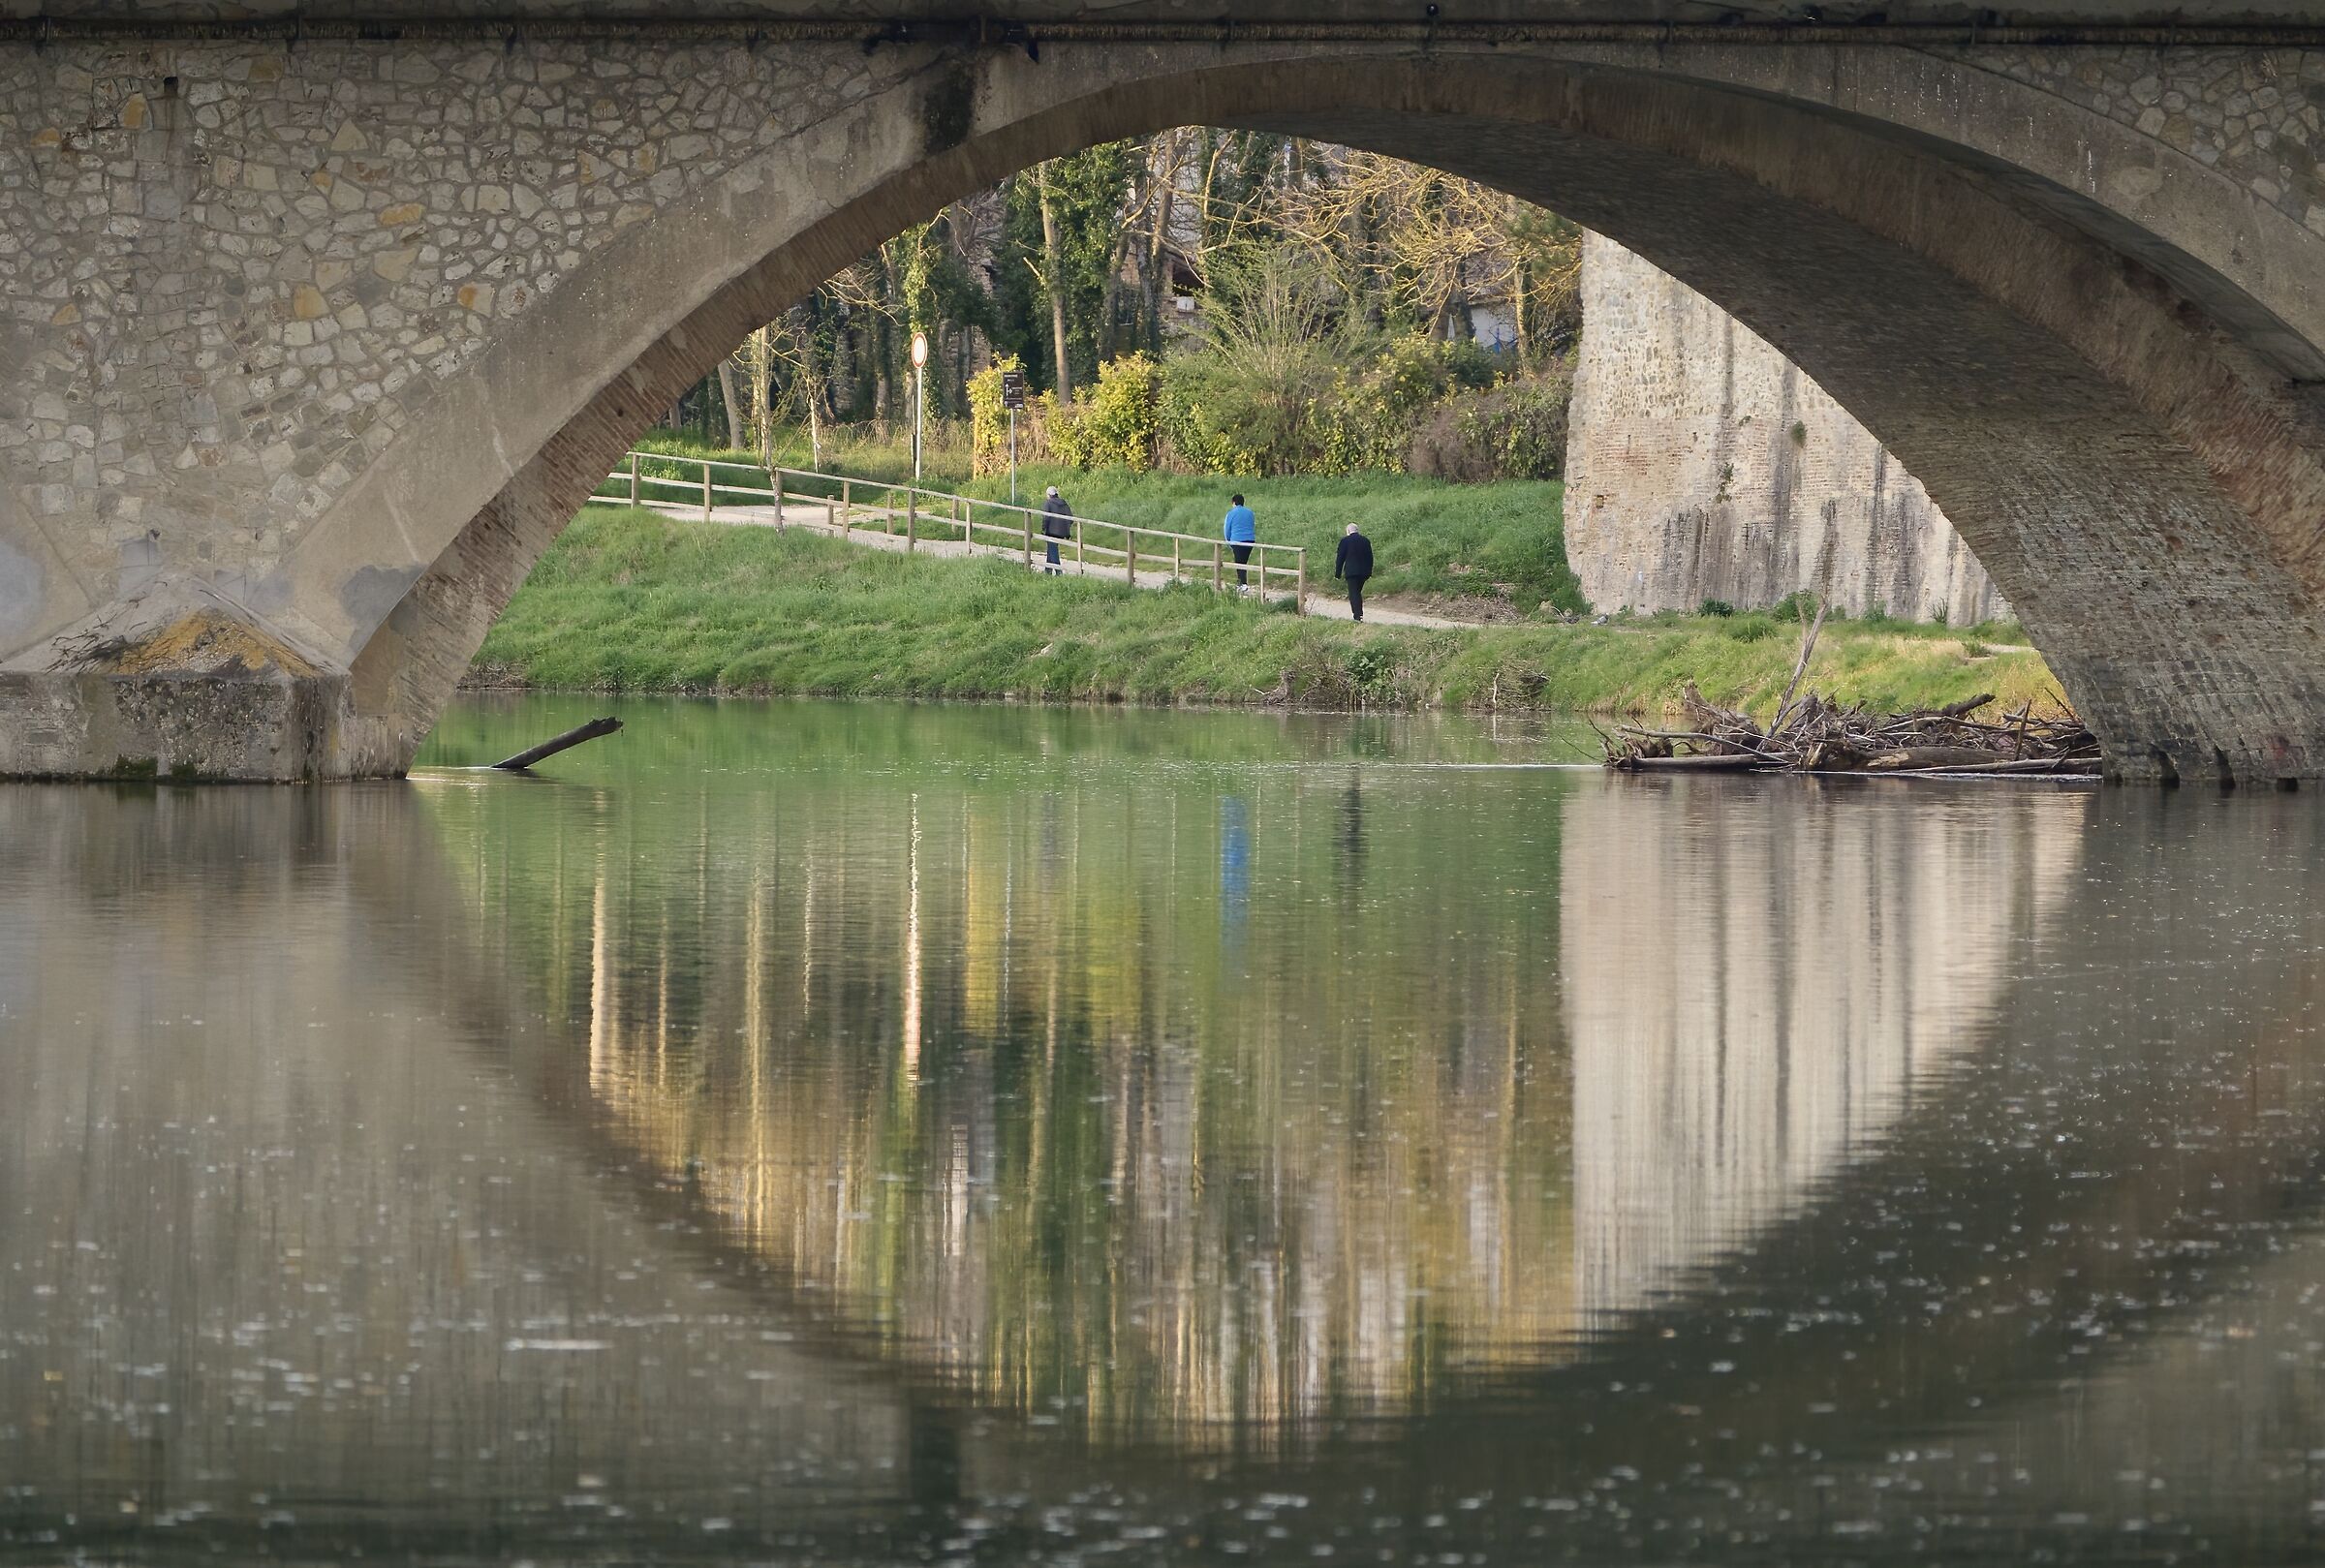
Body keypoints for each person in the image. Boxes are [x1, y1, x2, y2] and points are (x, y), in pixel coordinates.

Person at [1334, 521, 1374, 621]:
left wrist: (1337, 574)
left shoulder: (1345, 541)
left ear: (1348, 531)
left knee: (1354, 593)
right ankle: (1358, 613)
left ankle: (1357, 615)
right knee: (1357, 592)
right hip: (1364, 572)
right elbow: (1370, 557)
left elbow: (1340, 558)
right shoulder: (1365, 541)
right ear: (1357, 530)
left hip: (1351, 572)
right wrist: (1369, 571)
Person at [1223, 493, 1257, 593]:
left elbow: (1227, 529)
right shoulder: (1250, 512)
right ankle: (1241, 583)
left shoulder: (1231, 513)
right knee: (1243, 562)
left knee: (1239, 562)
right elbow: (1251, 525)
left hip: (1237, 540)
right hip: (1250, 540)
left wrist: (1228, 541)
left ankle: (1243, 584)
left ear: (1233, 503)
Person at [1039, 485, 1073, 574]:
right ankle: (1048, 571)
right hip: (1062, 532)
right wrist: (1066, 529)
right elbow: (1070, 518)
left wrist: (1043, 529)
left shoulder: (1048, 503)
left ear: (1048, 495)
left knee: (1053, 550)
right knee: (1051, 549)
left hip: (1051, 531)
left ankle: (1059, 571)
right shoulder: (1064, 503)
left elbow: (1046, 518)